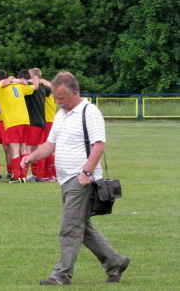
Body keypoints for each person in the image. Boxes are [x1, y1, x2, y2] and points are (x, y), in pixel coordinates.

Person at [21, 72, 130, 285]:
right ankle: (116, 262)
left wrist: (86, 174)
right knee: (82, 227)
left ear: (75, 93)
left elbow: (99, 145)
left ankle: (61, 275)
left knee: (69, 228)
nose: (58, 102)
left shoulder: (89, 112)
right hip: (65, 180)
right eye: (55, 97)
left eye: (61, 98)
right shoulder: (62, 113)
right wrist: (31, 156)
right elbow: (51, 144)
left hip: (80, 180)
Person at [0, 72, 35, 183]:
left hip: (12, 121)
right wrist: (18, 81)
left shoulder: (0, 89)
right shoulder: (19, 86)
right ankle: (23, 176)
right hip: (25, 120)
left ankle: (16, 176)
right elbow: (32, 87)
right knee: (24, 149)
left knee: (15, 149)